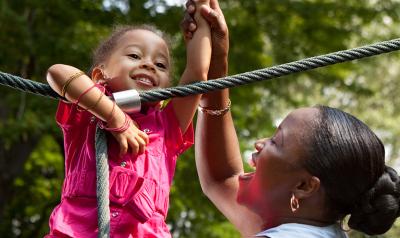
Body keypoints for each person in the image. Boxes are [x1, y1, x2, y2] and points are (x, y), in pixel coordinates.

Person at [184, 0, 400, 237]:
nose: (260, 143)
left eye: (276, 141)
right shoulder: (311, 227)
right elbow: (222, 179)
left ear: (304, 186)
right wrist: (216, 68)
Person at [45, 1, 212, 237]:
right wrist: (115, 118)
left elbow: (197, 73)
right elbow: (58, 73)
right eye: (134, 55)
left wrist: (202, 16)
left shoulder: (168, 125)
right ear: (99, 74)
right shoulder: (86, 111)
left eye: (161, 64)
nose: (148, 64)